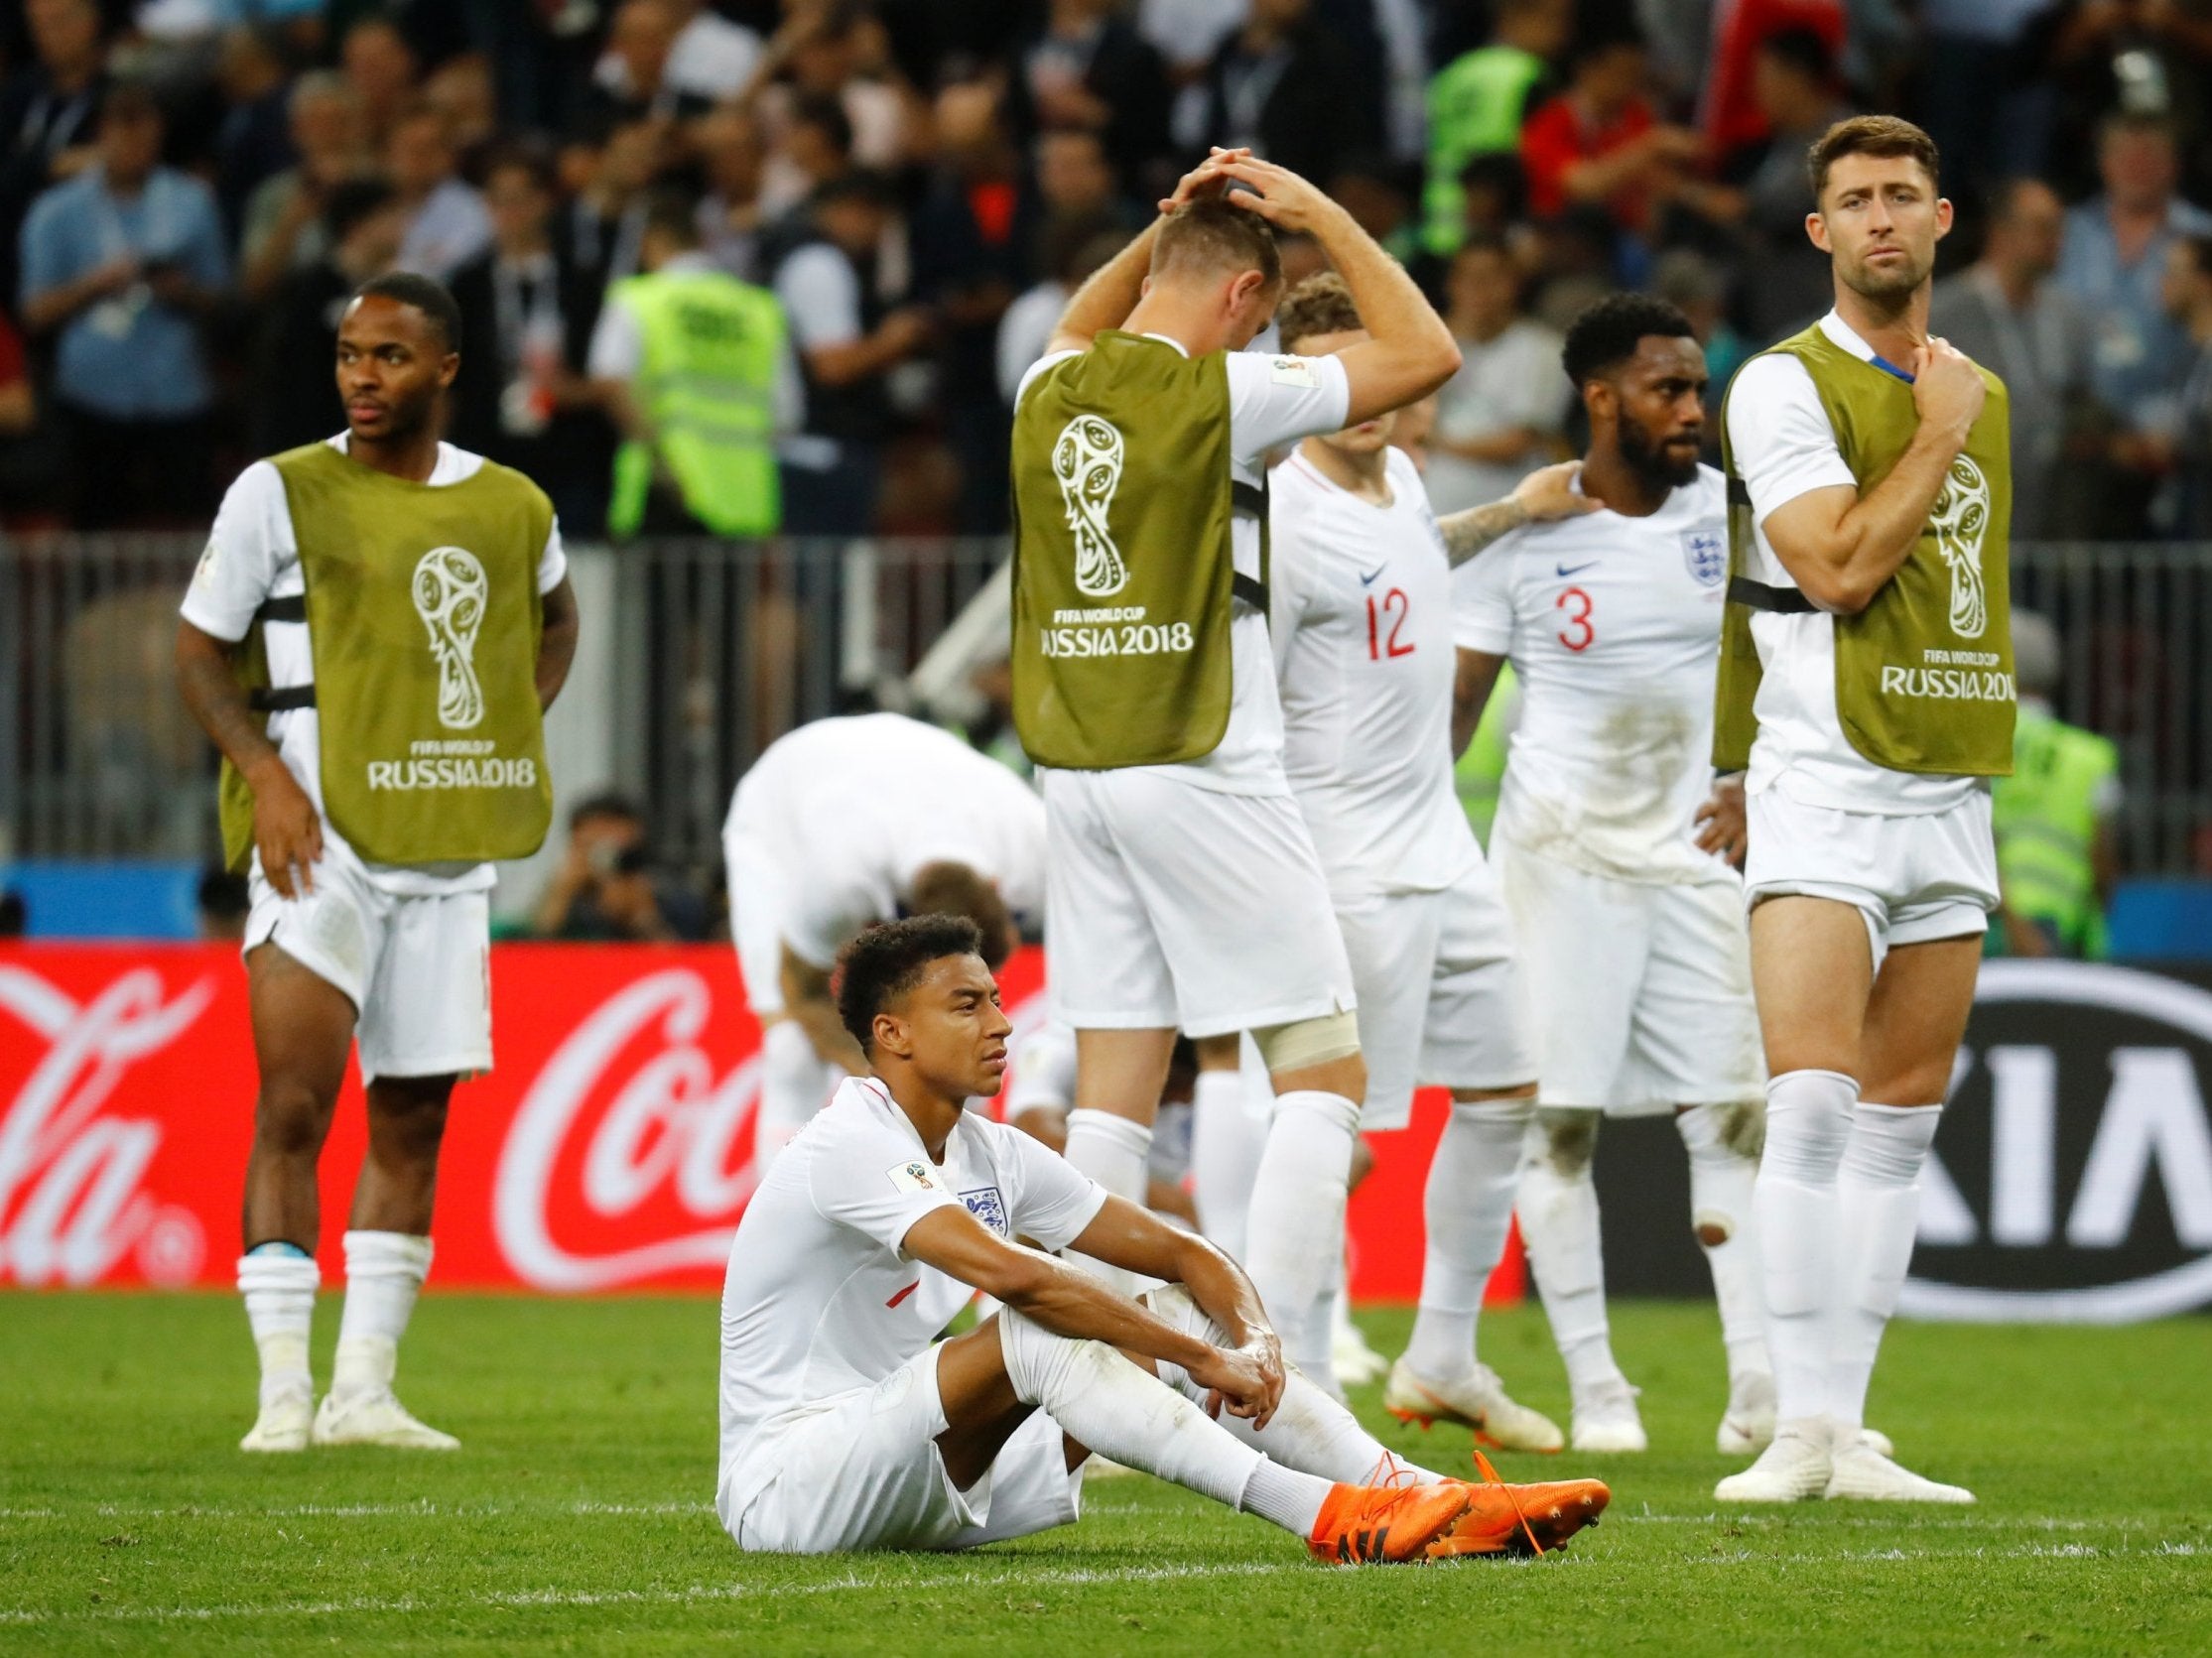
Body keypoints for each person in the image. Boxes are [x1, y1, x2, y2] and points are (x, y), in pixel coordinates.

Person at [714, 912, 1611, 1561]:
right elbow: (1023, 1285)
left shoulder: (993, 1150)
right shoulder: (848, 1141)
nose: (999, 1023)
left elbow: (1184, 1252)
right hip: (790, 1485)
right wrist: (1197, 1355)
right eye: (965, 1005)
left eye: (994, 999)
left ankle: (1422, 1494)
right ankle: (1329, 1516)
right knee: (1043, 1323)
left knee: (1163, 1297)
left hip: (917, 1465)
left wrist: (1250, 1340)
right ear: (891, 1033)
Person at [1006, 150, 1459, 1381]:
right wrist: (1321, 212)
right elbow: (1423, 356)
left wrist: (1161, 236)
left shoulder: (1046, 388)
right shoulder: (1229, 394)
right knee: (1323, 1068)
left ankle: (1082, 1390)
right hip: (1202, 754)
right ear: (1250, 305)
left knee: (1115, 1086)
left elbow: (1070, 322)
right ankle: (1281, 1368)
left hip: (1080, 771)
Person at [175, 273, 581, 1454]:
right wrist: (265, 776)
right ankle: (281, 1397)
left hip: (449, 846)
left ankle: (364, 1392)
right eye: (350, 354)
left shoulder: (511, 505)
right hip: (321, 842)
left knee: (414, 1123)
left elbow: (560, 618)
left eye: (390, 357)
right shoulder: (279, 491)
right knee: (293, 1104)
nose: (362, 375)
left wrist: (512, 728)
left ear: (446, 369)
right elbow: (199, 651)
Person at [1713, 115, 2014, 1503]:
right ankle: (1791, 1429)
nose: (1881, 216)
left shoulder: (1981, 390)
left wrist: (1955, 417)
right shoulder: (1781, 384)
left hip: (1947, 781)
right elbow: (1830, 569)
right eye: (1854, 199)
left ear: (1942, 217)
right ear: (1818, 230)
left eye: (1903, 193)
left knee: (1899, 1121)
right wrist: (1938, 433)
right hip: (1826, 777)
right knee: (1814, 1100)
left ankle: (1846, 1425)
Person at [1246, 270, 1587, 1441]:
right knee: (1336, 1133)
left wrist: (1514, 514)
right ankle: (1278, 1373)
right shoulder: (1280, 515)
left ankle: (1441, 1356)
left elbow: (1406, 572)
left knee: (1505, 1091)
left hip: (1443, 846)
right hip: (1348, 860)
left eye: (1374, 380)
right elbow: (1253, 685)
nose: (1364, 405)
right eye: (1334, 386)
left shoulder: (1397, 479)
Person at [1452, 293, 1775, 1457]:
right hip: (1562, 859)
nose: (1693, 410)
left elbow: (1774, 663)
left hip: (1696, 851)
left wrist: (1747, 776)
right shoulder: (1527, 530)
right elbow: (1455, 713)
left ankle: (1760, 1393)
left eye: (1698, 388)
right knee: (1559, 1128)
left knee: (1736, 1117)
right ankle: (1599, 1394)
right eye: (1668, 389)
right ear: (1602, 398)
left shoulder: (1734, 518)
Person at [721, 712, 1047, 1170]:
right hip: (782, 805)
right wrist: (897, 1080)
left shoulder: (1036, 847)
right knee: (791, 1049)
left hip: (910, 768)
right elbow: (804, 993)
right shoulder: (838, 879)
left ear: (999, 888)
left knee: (953, 1059)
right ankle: (780, 1220)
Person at [17, 81, 230, 528]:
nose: (135, 140)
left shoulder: (191, 202)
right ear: (101, 133)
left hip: (178, 390)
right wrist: (92, 285)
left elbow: (224, 297)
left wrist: (182, 292)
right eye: (123, 125)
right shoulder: (56, 212)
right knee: (97, 532)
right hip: (92, 394)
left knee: (187, 530)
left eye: (145, 127)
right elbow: (34, 311)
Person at [590, 191, 801, 539]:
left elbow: (611, 383)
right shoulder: (759, 309)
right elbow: (787, 414)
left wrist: (659, 461)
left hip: (664, 494)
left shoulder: (640, 299)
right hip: (744, 501)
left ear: (650, 239)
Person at [1929, 179, 2099, 543]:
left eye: (2059, 229)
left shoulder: (2070, 318)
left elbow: (2082, 400)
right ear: (2000, 232)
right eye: (2043, 228)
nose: (2056, 240)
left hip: (2053, 521)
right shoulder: (1942, 315)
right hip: (1969, 516)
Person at [1990, 611, 2121, 959]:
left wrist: (2014, 921)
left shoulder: (1979, 747)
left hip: (1993, 925)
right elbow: (2103, 858)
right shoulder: (2090, 756)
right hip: (2067, 925)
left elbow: (1974, 838)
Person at [250, 178, 408, 458]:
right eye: (390, 216)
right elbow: (297, 382)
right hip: (312, 446)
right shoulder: (311, 293)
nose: (402, 227)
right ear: (357, 225)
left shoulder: (391, 294)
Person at [1425, 234, 1568, 516]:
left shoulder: (1544, 349)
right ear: (1452, 285)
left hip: (1511, 511)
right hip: (1435, 507)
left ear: (1515, 285)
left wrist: (1434, 441)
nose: (1479, 289)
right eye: (1468, 278)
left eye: (1492, 277)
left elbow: (1516, 444)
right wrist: (1446, 340)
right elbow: (1403, 423)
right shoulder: (1430, 346)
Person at [1421, 0, 1569, 255]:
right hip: (1497, 228)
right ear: (1515, 17)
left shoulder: (1455, 73)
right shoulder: (1529, 74)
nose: (1563, 32)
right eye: (1554, 19)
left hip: (1439, 222)